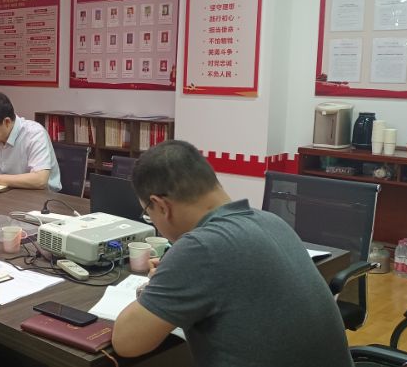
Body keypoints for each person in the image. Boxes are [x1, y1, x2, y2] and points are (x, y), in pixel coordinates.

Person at [111, 140, 354, 367]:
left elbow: (126, 342)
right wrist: (171, 279)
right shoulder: (270, 220)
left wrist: (158, 285)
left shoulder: (200, 248)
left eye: (148, 213)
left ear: (162, 206)